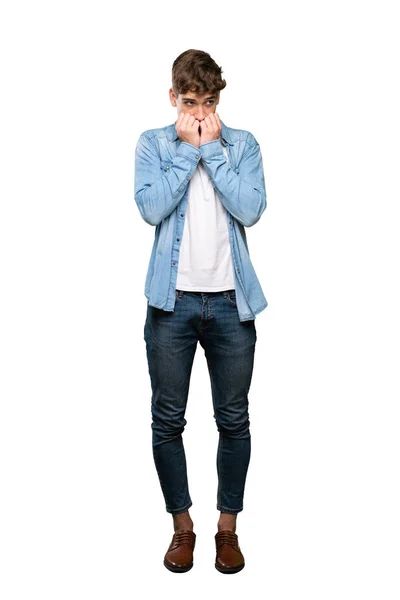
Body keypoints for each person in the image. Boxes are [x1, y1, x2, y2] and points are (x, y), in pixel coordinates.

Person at [134, 49, 268, 573]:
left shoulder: (242, 145)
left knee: (233, 420)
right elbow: (150, 209)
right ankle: (182, 528)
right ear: (174, 97)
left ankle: (227, 530)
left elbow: (251, 210)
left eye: (209, 102)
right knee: (168, 420)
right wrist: (189, 153)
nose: (199, 113)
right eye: (190, 102)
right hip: (172, 304)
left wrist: (211, 152)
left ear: (219, 100)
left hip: (233, 305)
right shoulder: (153, 144)